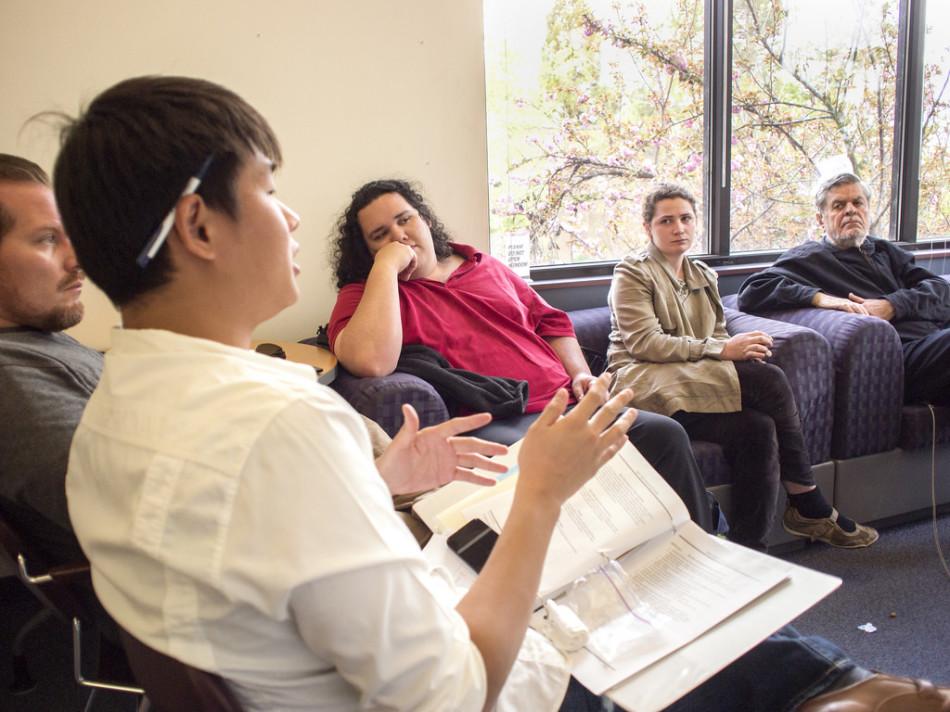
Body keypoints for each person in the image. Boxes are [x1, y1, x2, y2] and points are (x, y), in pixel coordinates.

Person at [55, 75, 949, 712]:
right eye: (270, 190)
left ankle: (817, 665)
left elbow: (251, 553)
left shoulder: (117, 410)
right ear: (200, 224)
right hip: (508, 685)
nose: (288, 215)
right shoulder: (284, 418)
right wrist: (542, 497)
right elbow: (458, 691)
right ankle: (839, 683)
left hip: (393, 626)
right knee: (645, 607)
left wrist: (384, 480)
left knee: (658, 563)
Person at [328, 179, 714, 533]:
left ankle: (701, 549)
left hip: (564, 401)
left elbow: (550, 320)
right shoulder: (371, 296)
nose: (399, 236)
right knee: (549, 456)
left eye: (404, 220)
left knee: (665, 433)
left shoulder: (483, 263)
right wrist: (387, 267)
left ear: (425, 219)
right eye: (381, 236)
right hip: (501, 418)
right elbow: (371, 361)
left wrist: (579, 374)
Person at [606, 183, 877, 550]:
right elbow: (645, 344)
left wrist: (727, 348)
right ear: (648, 228)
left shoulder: (703, 274)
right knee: (768, 381)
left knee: (758, 428)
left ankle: (751, 549)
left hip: (690, 380)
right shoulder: (632, 273)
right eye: (666, 221)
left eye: (686, 218)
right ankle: (807, 500)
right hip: (642, 380)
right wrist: (722, 349)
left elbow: (715, 330)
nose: (678, 228)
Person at [738, 172, 950, 406]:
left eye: (858, 203)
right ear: (821, 219)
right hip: (898, 357)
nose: (850, 210)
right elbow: (752, 290)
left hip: (933, 339)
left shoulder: (884, 250)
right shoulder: (809, 258)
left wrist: (893, 305)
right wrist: (821, 299)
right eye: (839, 205)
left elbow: (940, 289)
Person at [0, 153, 96, 567]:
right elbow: (157, 519)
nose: (78, 260)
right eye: (47, 239)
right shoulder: (13, 380)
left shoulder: (37, 340)